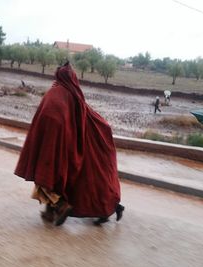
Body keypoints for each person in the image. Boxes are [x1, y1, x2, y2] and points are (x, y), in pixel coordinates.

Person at [14, 62, 124, 226]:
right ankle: (52, 211)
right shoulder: (74, 95)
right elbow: (84, 118)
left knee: (48, 178)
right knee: (76, 181)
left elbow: (51, 121)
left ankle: (59, 207)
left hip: (56, 148)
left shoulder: (55, 94)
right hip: (72, 147)